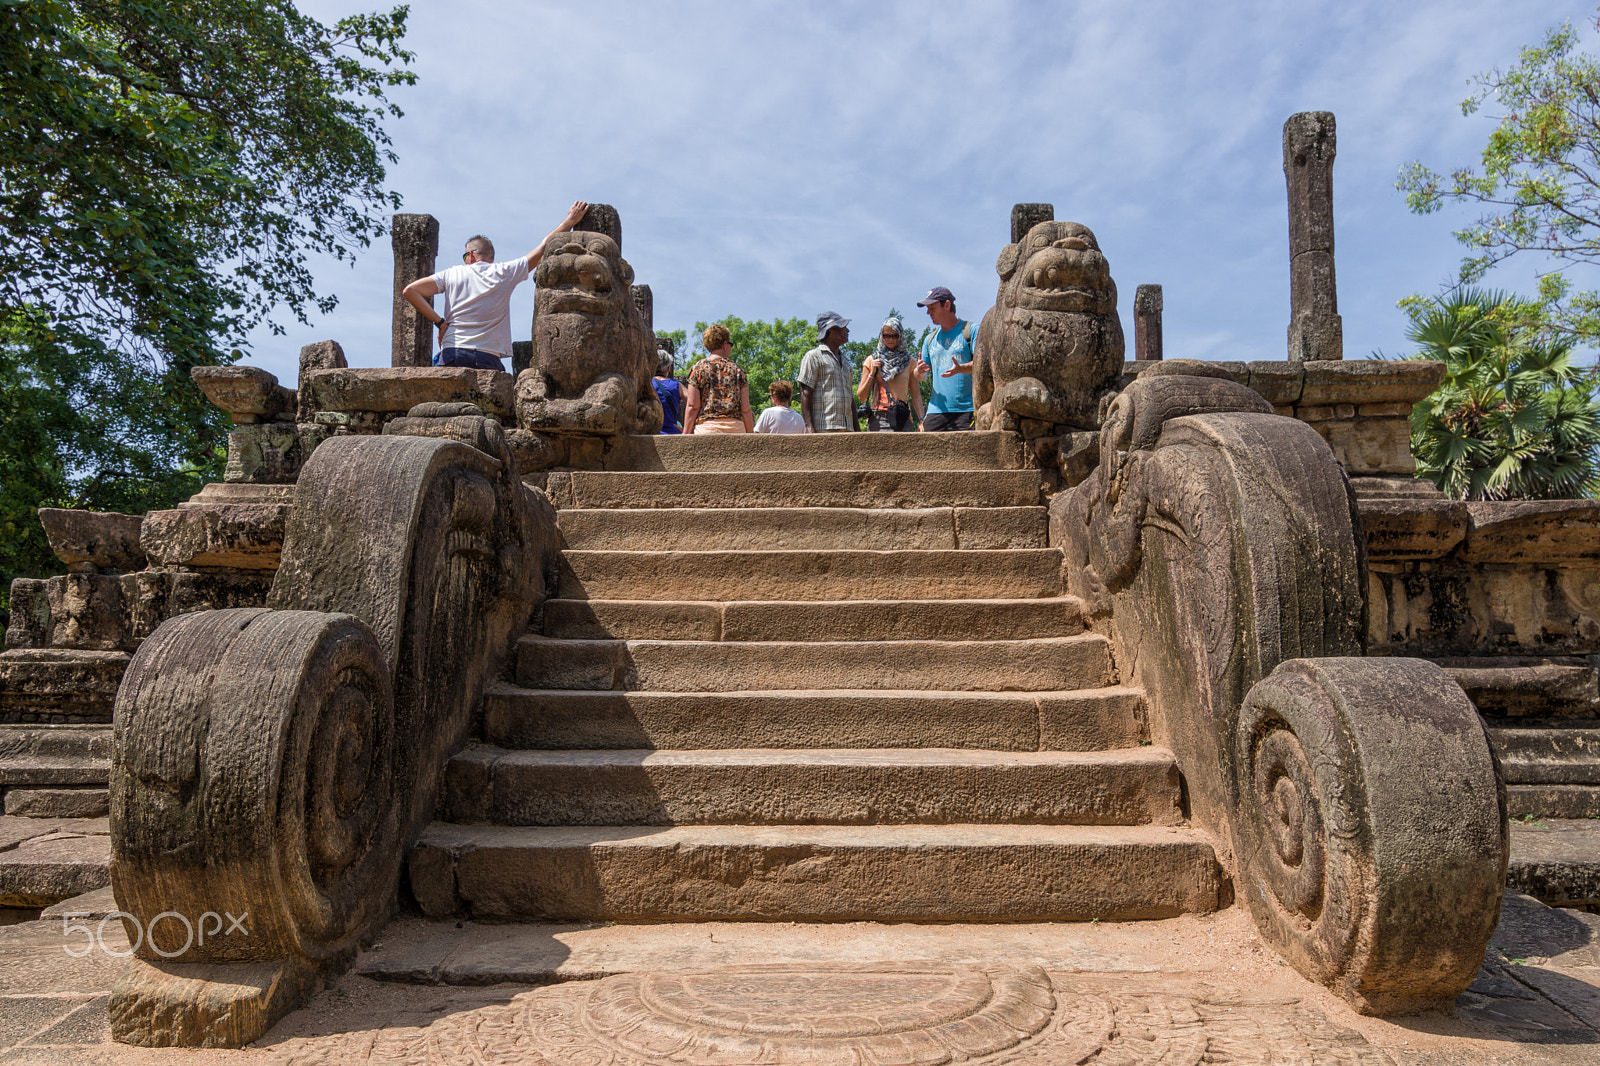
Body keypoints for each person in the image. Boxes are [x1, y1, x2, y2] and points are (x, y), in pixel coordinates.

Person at [401, 200, 589, 371]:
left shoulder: (452, 273)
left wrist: (440, 323)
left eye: (465, 256)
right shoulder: (504, 272)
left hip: (452, 351)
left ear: (471, 255)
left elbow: (410, 290)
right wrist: (569, 222)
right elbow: (542, 248)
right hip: (486, 355)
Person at [917, 286, 976, 431]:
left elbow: (984, 366)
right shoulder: (929, 340)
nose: (928, 312)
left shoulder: (971, 331)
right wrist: (918, 371)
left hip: (966, 411)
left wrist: (961, 368)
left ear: (947, 305)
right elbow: (921, 377)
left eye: (932, 307)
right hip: (935, 412)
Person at [856, 316, 927, 432]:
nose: (890, 339)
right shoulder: (872, 360)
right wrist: (872, 373)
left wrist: (921, 420)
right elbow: (862, 396)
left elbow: (916, 395)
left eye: (894, 336)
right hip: (878, 419)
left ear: (900, 336)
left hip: (902, 417)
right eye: (886, 336)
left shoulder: (909, 361)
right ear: (881, 336)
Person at [683, 323, 754, 434]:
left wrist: (685, 433)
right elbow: (745, 409)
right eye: (730, 344)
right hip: (736, 431)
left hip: (707, 430)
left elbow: (693, 406)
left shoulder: (697, 369)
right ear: (724, 344)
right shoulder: (738, 371)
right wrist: (751, 435)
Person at [796, 312, 856, 433]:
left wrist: (856, 429)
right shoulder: (814, 357)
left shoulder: (846, 362)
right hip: (823, 428)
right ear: (831, 330)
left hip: (847, 429)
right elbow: (806, 392)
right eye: (843, 327)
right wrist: (809, 426)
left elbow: (851, 399)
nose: (847, 331)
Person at [653, 347, 683, 434]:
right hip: (672, 433)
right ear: (668, 368)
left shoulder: (645, 383)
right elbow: (694, 403)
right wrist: (687, 430)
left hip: (650, 433)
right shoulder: (676, 385)